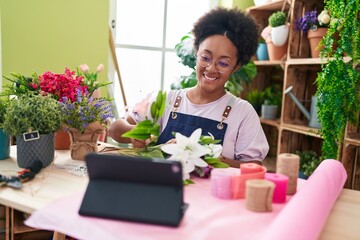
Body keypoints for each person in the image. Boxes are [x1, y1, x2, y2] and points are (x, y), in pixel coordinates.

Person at [108, 7, 269, 166]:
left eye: (223, 63)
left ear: (237, 66)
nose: (211, 68)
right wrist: (133, 135)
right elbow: (115, 129)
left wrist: (216, 161)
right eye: (205, 57)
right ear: (196, 52)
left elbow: (253, 167)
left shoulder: (242, 113)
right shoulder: (166, 100)